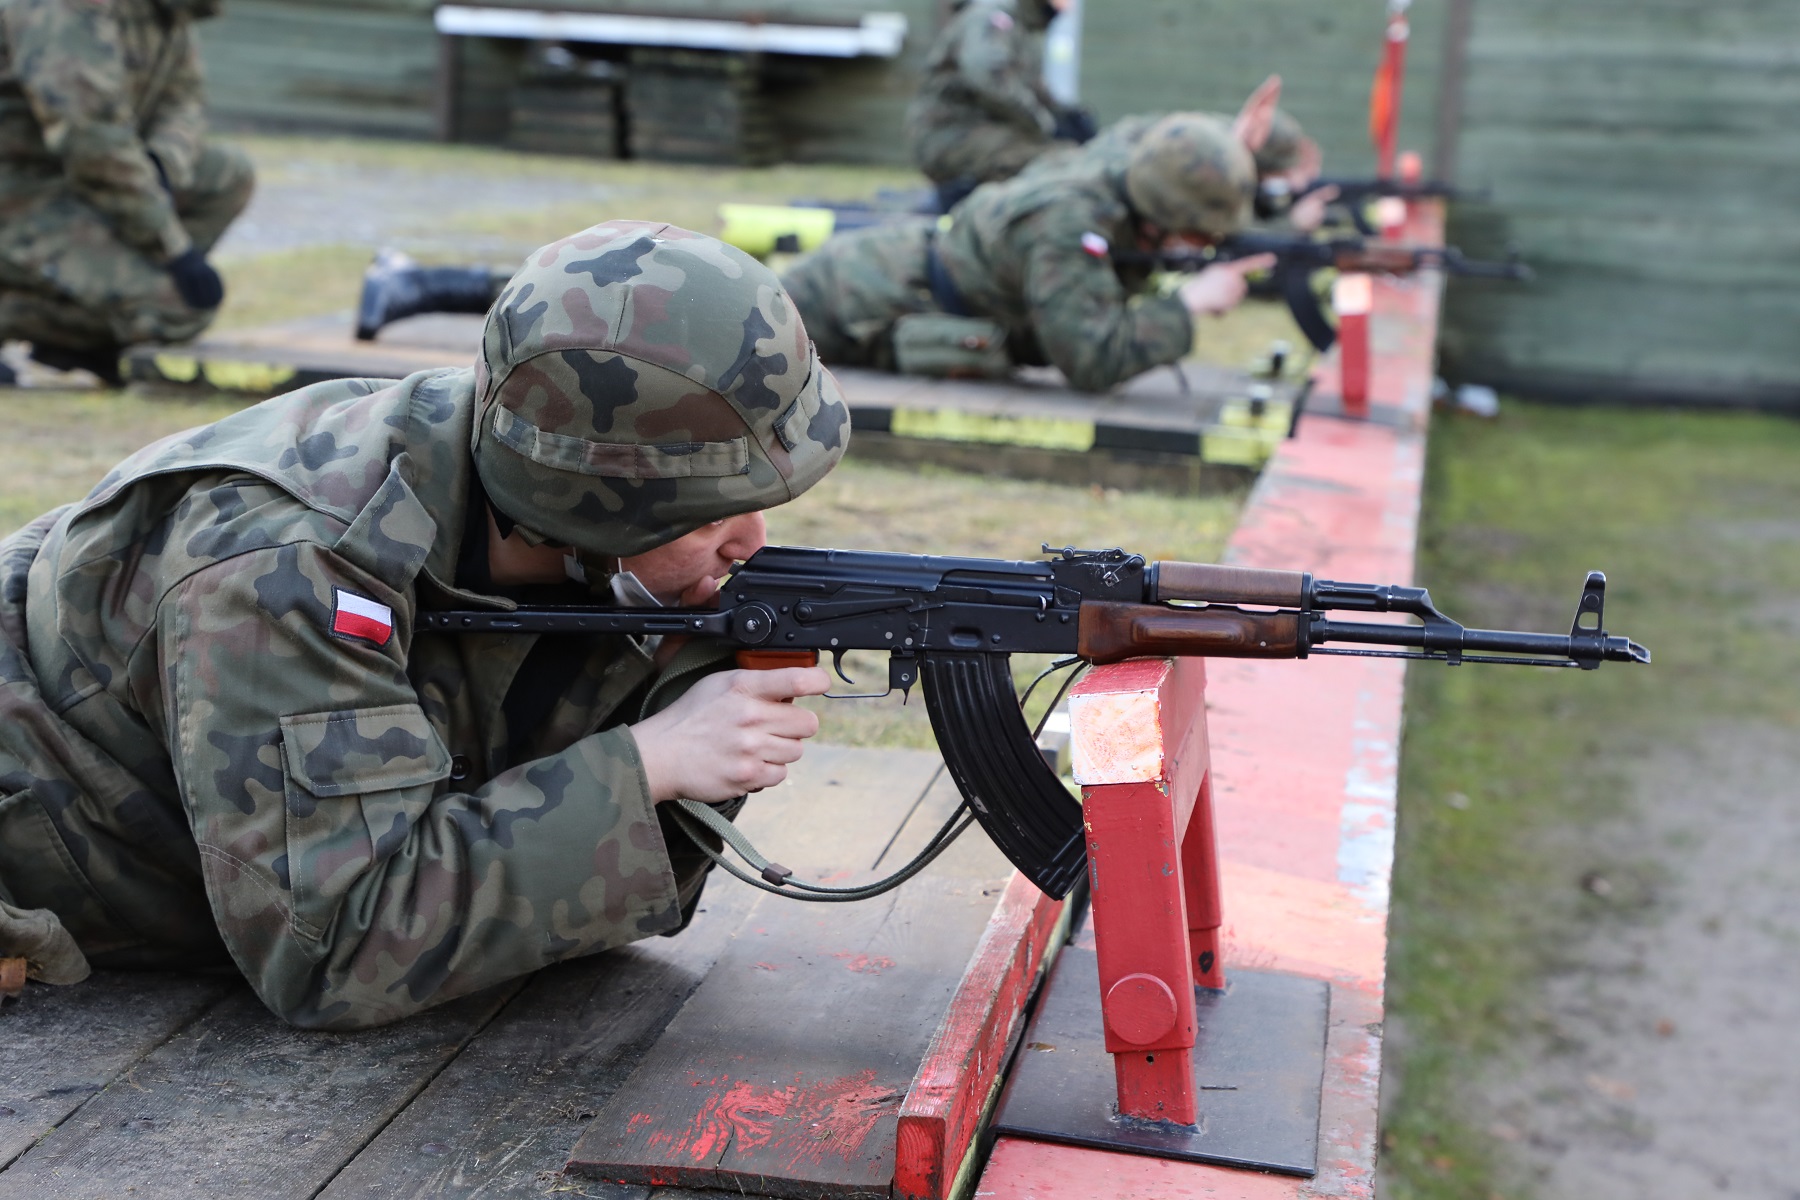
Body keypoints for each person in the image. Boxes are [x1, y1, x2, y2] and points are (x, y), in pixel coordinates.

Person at [0, 221, 851, 1029]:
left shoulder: (532, 493)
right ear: (587, 513)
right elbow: (334, 950)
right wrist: (649, 762)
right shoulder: (288, 572)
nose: (750, 544)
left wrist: (676, 691)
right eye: (710, 517)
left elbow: (581, 909)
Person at [779, 112, 1274, 394]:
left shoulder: (1128, 165)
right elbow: (1092, 360)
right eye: (1194, 234)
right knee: (759, 344)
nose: (1200, 246)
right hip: (862, 298)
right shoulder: (1069, 225)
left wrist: (1225, 147)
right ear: (1159, 215)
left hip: (900, 277)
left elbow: (1161, 138)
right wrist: (1188, 304)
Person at [0, 0, 252, 387]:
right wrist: (172, 247)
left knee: (228, 174)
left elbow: (184, 101)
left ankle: (85, 327)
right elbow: (89, 140)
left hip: (84, 185)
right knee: (178, 310)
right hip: (21, 194)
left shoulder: (168, 11)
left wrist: (161, 165)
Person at [904, 0, 1096, 212]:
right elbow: (987, 76)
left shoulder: (1018, 28)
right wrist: (1042, 122)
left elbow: (1035, 91)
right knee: (1060, 162)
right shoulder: (993, 17)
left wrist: (1069, 119)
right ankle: (963, 204)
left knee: (1071, 156)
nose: (1067, 5)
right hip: (952, 134)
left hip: (981, 133)